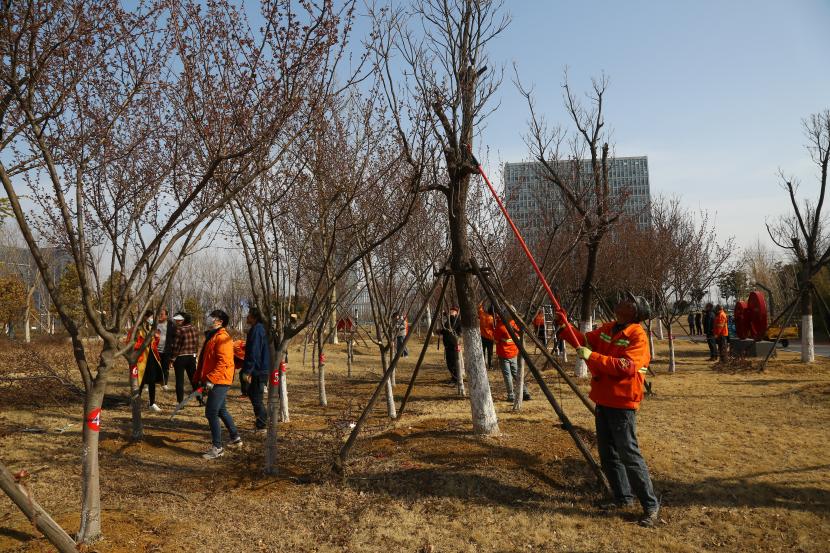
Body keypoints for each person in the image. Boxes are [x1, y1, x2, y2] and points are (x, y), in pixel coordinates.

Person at [554, 292, 660, 527]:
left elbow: (626, 366)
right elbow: (583, 341)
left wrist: (593, 357)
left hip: (622, 403)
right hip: (603, 399)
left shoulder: (637, 336)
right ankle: (623, 498)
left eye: (628, 301)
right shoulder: (608, 328)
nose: (621, 301)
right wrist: (564, 325)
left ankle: (650, 506)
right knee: (608, 453)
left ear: (633, 312)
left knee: (629, 454)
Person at [194, 309, 242, 459]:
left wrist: (211, 380)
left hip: (220, 379)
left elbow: (224, 362)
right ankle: (235, 437)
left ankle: (217, 448)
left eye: (212, 317)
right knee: (221, 410)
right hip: (216, 378)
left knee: (211, 412)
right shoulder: (213, 335)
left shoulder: (222, 338)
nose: (209, 318)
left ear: (220, 322)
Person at [240, 307, 270, 432]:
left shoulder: (257, 330)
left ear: (254, 317)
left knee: (257, 399)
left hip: (258, 369)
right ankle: (261, 422)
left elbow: (255, 352)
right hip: (259, 368)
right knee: (254, 396)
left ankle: (262, 425)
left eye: (249, 315)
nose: (247, 317)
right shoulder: (258, 329)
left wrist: (248, 371)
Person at [132, 310, 164, 412]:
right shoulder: (137, 329)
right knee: (140, 381)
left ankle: (152, 403)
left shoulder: (151, 328)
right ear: (144, 317)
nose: (151, 319)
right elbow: (131, 343)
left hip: (152, 358)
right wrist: (143, 343)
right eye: (150, 317)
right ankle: (136, 402)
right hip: (141, 359)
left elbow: (154, 344)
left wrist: (156, 338)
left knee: (152, 381)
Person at [495, 312, 530, 402]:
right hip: (514, 352)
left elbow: (496, 340)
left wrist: (502, 340)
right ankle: (525, 392)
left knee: (507, 375)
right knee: (516, 373)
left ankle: (511, 395)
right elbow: (519, 336)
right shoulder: (515, 324)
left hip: (504, 353)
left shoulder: (500, 326)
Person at [171, 312, 199, 404]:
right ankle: (201, 400)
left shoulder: (179, 330)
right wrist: (195, 354)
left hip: (180, 357)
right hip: (191, 357)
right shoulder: (194, 328)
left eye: (178, 320)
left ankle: (180, 402)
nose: (177, 321)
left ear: (183, 320)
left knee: (179, 381)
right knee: (194, 380)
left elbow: (176, 346)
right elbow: (196, 343)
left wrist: (172, 359)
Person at [437, 306, 462, 382]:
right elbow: (446, 330)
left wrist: (448, 315)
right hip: (448, 345)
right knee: (449, 363)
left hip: (453, 345)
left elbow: (451, 328)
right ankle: (454, 378)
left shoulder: (456, 320)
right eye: (450, 310)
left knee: (453, 363)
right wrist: (440, 331)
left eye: (452, 311)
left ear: (456, 313)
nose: (451, 312)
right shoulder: (450, 320)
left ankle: (456, 379)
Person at [156, 308, 177, 389]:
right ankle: (154, 382)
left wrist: (173, 348)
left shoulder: (171, 325)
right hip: (155, 350)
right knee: (154, 367)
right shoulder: (154, 324)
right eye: (159, 314)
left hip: (166, 350)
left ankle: (164, 383)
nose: (160, 316)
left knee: (165, 367)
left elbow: (174, 337)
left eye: (162, 314)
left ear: (166, 316)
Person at [478, 303, 495, 370]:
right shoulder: (493, 319)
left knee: (482, 352)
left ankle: (483, 365)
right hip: (490, 338)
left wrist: (482, 301)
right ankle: (490, 366)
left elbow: (479, 308)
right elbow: (495, 328)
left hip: (482, 337)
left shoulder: (482, 315)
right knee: (490, 352)